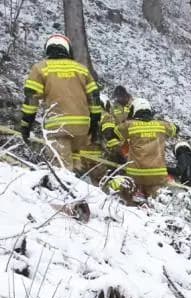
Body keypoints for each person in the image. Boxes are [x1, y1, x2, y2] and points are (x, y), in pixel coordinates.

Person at [20, 33, 101, 172]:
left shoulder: (40, 68)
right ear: (67, 49)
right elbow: (94, 96)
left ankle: (66, 190)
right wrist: (94, 123)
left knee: (61, 170)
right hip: (82, 128)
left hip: (58, 127)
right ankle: (80, 187)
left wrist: (26, 125)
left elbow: (31, 100)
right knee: (75, 164)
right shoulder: (81, 69)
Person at [112, 98, 177, 198]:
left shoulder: (130, 126)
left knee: (133, 198)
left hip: (136, 174)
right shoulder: (162, 125)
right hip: (157, 174)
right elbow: (175, 129)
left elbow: (115, 132)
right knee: (156, 198)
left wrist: (127, 118)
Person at [101, 86, 132, 163]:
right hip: (120, 138)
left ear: (125, 95)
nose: (119, 99)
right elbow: (111, 121)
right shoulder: (114, 107)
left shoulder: (134, 105)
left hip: (133, 137)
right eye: (117, 97)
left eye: (120, 97)